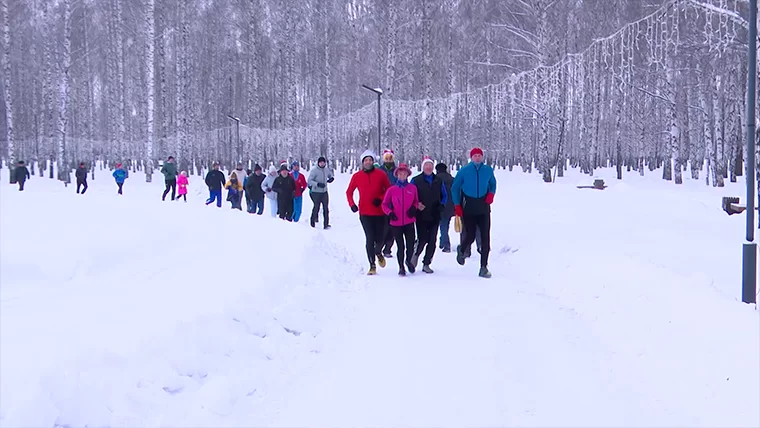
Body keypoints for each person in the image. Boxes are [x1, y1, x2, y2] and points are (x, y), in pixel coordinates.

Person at [452, 147, 497, 278]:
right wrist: (457, 205)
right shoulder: (464, 171)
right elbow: (455, 188)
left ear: (482, 157)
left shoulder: (487, 170)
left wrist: (491, 194)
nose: (477, 158)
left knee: (485, 238)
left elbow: (493, 183)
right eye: (475, 156)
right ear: (471, 158)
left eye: (479, 155)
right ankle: (462, 249)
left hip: (483, 207)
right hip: (469, 207)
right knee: (470, 235)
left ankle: (483, 267)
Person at [346, 150, 391, 275]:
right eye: (366, 160)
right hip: (365, 213)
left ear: (373, 161)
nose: (368, 162)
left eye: (370, 160)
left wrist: (381, 199)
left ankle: (378, 252)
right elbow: (349, 192)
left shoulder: (381, 174)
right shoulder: (357, 176)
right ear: (362, 162)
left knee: (380, 238)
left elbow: (389, 190)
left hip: (379, 212)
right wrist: (352, 205)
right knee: (370, 238)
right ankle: (372, 265)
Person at [410, 156, 447, 274]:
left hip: (435, 214)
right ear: (423, 167)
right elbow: (410, 195)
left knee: (432, 240)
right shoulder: (416, 180)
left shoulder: (438, 180)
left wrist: (442, 204)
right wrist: (416, 204)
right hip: (421, 214)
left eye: (430, 165)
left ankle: (426, 263)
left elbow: (444, 195)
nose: (428, 167)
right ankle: (415, 255)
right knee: (422, 239)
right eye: (426, 165)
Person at [381, 163, 419, 276]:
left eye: (404, 173)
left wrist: (413, 208)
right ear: (397, 175)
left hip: (409, 221)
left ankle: (408, 261)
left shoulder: (412, 188)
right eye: (400, 174)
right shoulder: (392, 190)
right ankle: (401, 267)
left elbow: (416, 201)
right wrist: (390, 213)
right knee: (400, 246)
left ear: (407, 175)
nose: (402, 175)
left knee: (410, 245)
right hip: (396, 222)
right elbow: (384, 204)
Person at [379, 149, 398, 258]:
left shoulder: (397, 171)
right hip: (382, 203)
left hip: (395, 203)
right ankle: (379, 247)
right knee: (382, 227)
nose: (388, 159)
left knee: (392, 228)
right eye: (386, 157)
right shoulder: (379, 170)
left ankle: (388, 248)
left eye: (390, 157)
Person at [307, 156, 334, 229]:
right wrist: (317, 184)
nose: (322, 164)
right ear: (318, 163)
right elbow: (309, 181)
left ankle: (326, 224)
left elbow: (330, 175)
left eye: (323, 162)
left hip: (324, 192)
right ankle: (312, 223)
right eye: (320, 162)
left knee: (326, 208)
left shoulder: (326, 170)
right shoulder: (314, 170)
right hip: (316, 192)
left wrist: (331, 178)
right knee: (316, 207)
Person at [435, 162, 454, 252]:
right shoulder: (452, 179)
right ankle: (443, 242)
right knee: (445, 224)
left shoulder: (436, 180)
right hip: (451, 207)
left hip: (440, 206)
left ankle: (446, 244)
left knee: (442, 225)